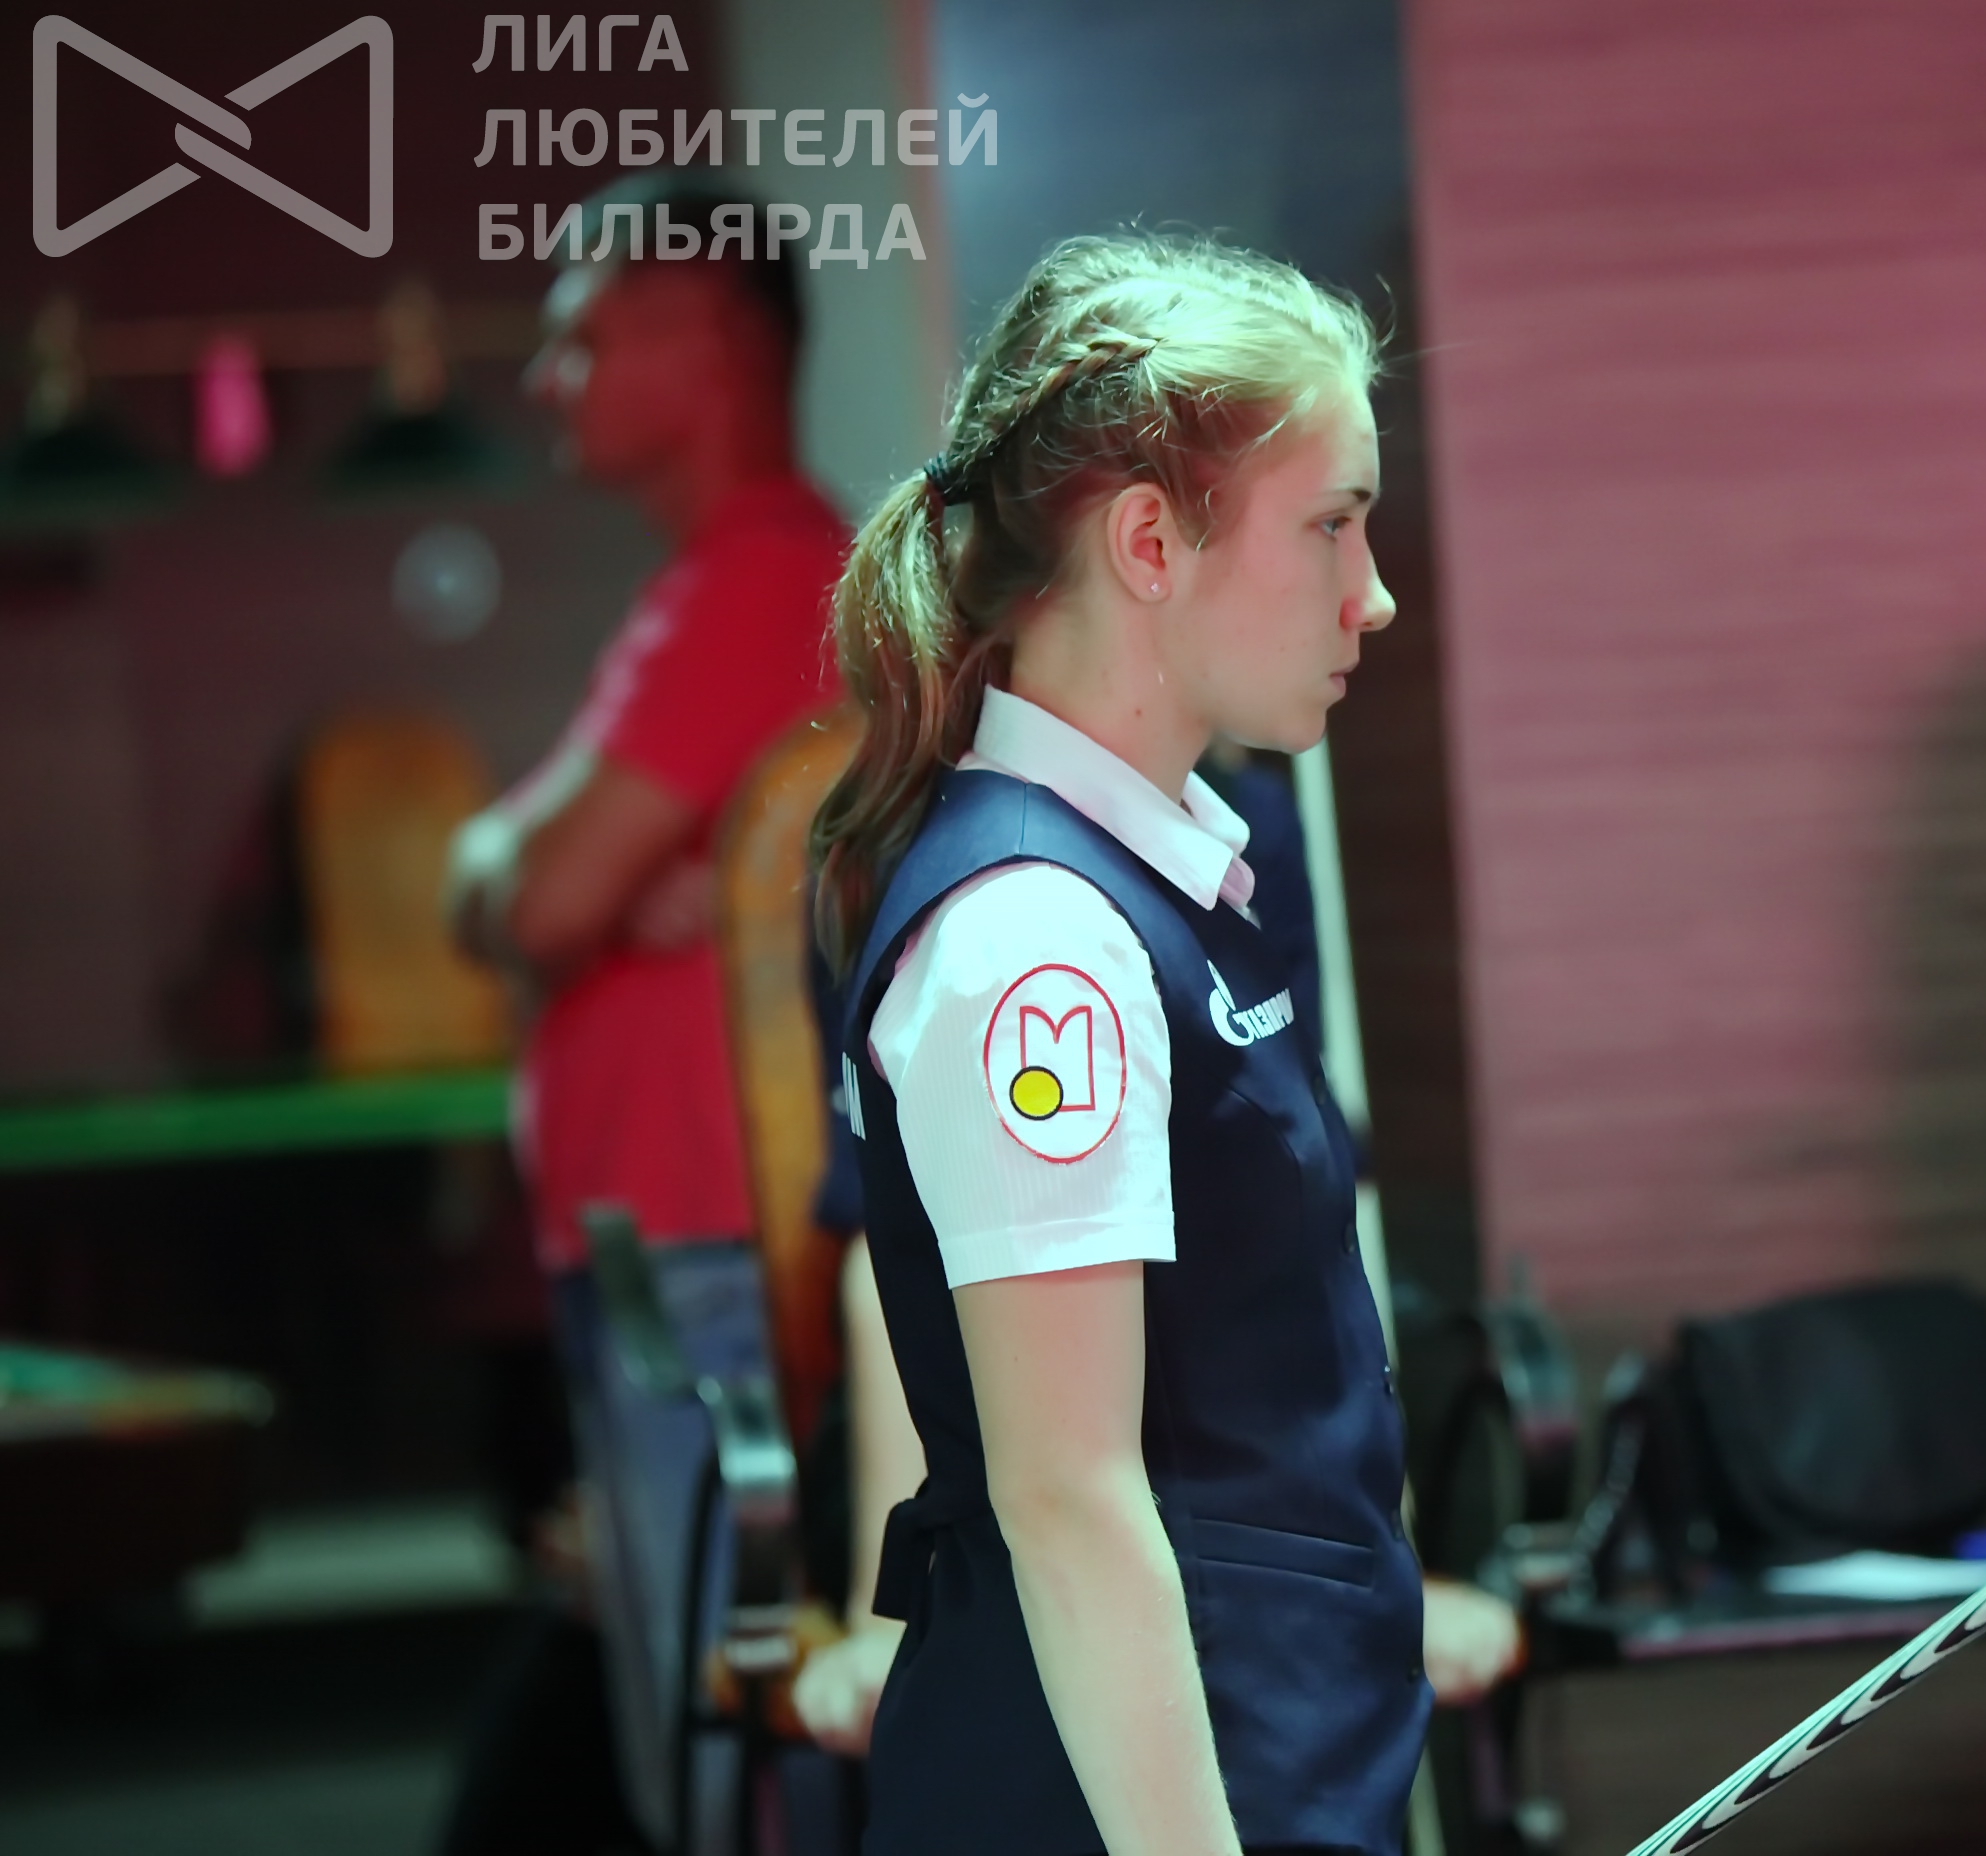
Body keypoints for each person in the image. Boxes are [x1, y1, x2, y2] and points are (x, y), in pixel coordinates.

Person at [810, 230, 1434, 1855]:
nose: (1373, 592)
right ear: (1151, 540)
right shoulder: (1039, 943)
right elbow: (1069, 1501)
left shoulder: (1168, 879)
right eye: (1333, 522)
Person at [440, 169, 847, 1855]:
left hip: (707, 1254)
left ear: (709, 340)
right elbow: (521, 881)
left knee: (728, 1747)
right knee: (700, 1731)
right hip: (678, 1256)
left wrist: (539, 882)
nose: (548, 380)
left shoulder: (760, 578)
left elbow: (531, 895)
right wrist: (545, 877)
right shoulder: (715, 588)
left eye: (584, 339)